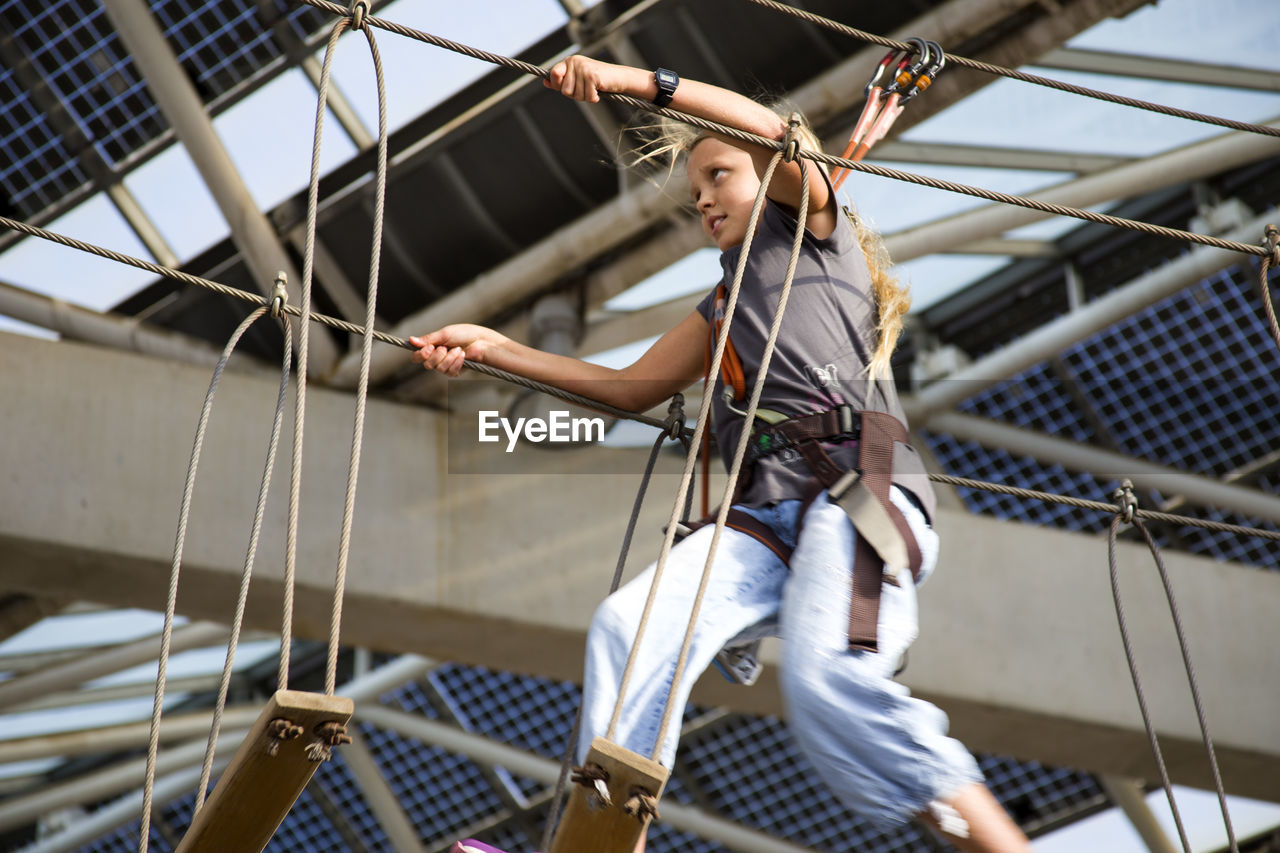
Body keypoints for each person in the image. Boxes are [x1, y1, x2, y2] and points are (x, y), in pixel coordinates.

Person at [419, 56, 1033, 853]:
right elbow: (631, 388)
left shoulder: (815, 232)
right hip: (768, 515)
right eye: (695, 187)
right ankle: (602, 840)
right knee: (626, 629)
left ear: (771, 177)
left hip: (854, 486)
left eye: (717, 174)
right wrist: (496, 351)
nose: (703, 196)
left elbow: (776, 134)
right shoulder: (723, 301)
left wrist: (632, 82)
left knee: (833, 680)